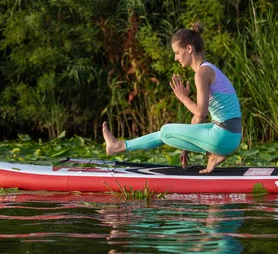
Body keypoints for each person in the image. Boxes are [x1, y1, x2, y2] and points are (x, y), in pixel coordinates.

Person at [102, 23, 242, 174]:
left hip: (223, 137)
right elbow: (197, 117)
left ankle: (215, 153)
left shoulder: (202, 73)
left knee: (166, 131)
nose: (176, 58)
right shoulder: (209, 69)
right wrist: (186, 147)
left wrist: (183, 98)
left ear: (189, 49)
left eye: (177, 52)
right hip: (231, 136)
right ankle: (118, 146)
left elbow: (201, 113)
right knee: (163, 133)